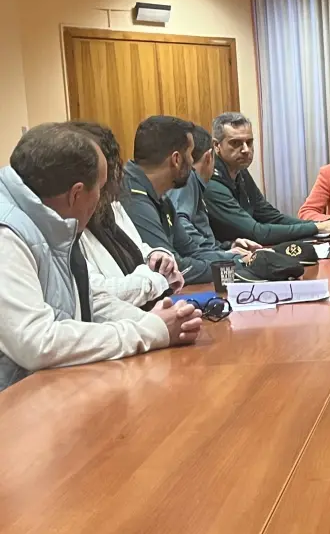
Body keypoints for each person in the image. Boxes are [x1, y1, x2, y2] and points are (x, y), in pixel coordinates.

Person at [0, 123, 202, 391]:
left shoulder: (50, 221)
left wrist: (155, 322)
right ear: (76, 194)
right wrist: (149, 332)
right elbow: (36, 343)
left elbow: (88, 298)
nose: (104, 199)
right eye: (101, 188)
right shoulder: (7, 234)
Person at [122, 116, 240, 285]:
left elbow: (192, 251)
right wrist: (235, 269)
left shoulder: (160, 196)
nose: (192, 162)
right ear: (176, 159)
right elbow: (173, 269)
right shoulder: (131, 198)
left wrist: (242, 261)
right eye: (190, 154)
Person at [77, 122, 184, 308]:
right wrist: (157, 280)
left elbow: (137, 247)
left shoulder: (110, 205)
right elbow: (96, 295)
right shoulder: (69, 224)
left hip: (144, 312)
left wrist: (157, 256)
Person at [204, 112, 330, 243]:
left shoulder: (240, 172)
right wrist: (317, 228)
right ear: (216, 146)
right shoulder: (211, 183)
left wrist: (321, 225)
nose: (246, 150)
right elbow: (257, 233)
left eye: (249, 142)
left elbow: (272, 217)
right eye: (235, 143)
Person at [169, 125, 259, 260]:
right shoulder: (188, 179)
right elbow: (181, 224)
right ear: (209, 157)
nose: (245, 149)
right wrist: (223, 256)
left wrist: (228, 247)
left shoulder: (196, 183)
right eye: (235, 143)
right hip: (203, 263)